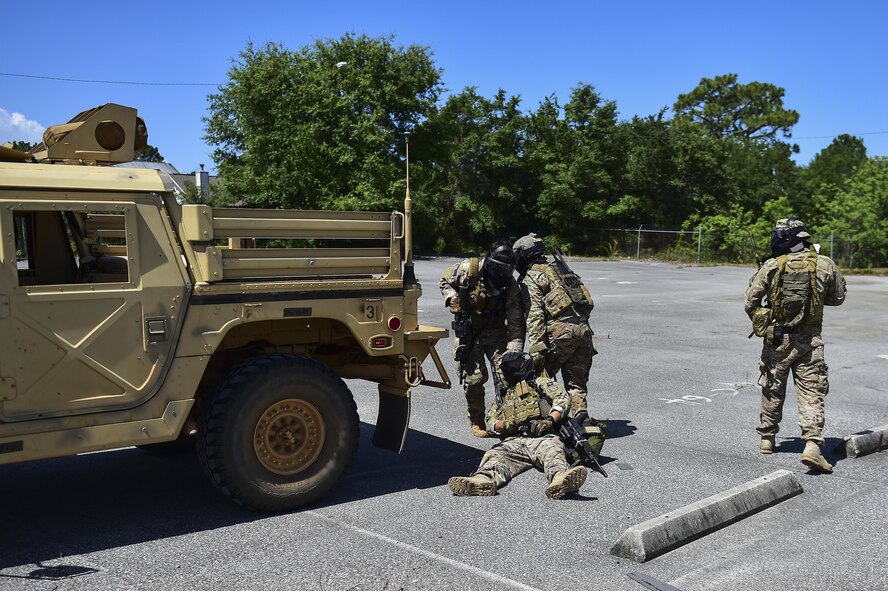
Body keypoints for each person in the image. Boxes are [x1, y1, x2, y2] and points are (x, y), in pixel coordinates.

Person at [745, 217, 846, 473]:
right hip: (810, 341)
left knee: (772, 387)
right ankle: (812, 444)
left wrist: (765, 316)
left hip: (777, 339)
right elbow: (837, 298)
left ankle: (767, 438)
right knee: (811, 391)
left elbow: (751, 301)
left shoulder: (771, 265)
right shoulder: (824, 264)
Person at [447, 351, 588, 498]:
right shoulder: (503, 396)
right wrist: (507, 424)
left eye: (515, 365)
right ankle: (481, 481)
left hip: (542, 438)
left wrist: (550, 420)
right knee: (495, 455)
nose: (511, 369)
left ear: (525, 364)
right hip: (514, 441)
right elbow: (491, 423)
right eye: (507, 367)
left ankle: (560, 480)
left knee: (553, 451)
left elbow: (562, 399)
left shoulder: (541, 383)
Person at [440, 241, 526, 437]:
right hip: (470, 331)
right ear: (488, 262)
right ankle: (477, 419)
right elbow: (444, 280)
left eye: (506, 268)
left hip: (496, 332)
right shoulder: (468, 270)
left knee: (507, 375)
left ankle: (506, 419)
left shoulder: (510, 285)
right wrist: (452, 298)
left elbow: (515, 320)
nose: (501, 271)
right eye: (498, 266)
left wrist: (515, 351)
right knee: (475, 379)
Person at [512, 233, 596, 418]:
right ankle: (581, 415)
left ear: (523, 255)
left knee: (542, 379)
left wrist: (536, 351)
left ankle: (550, 419)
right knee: (576, 382)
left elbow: (535, 317)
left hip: (559, 333)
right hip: (583, 330)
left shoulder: (532, 277)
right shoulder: (561, 269)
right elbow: (587, 303)